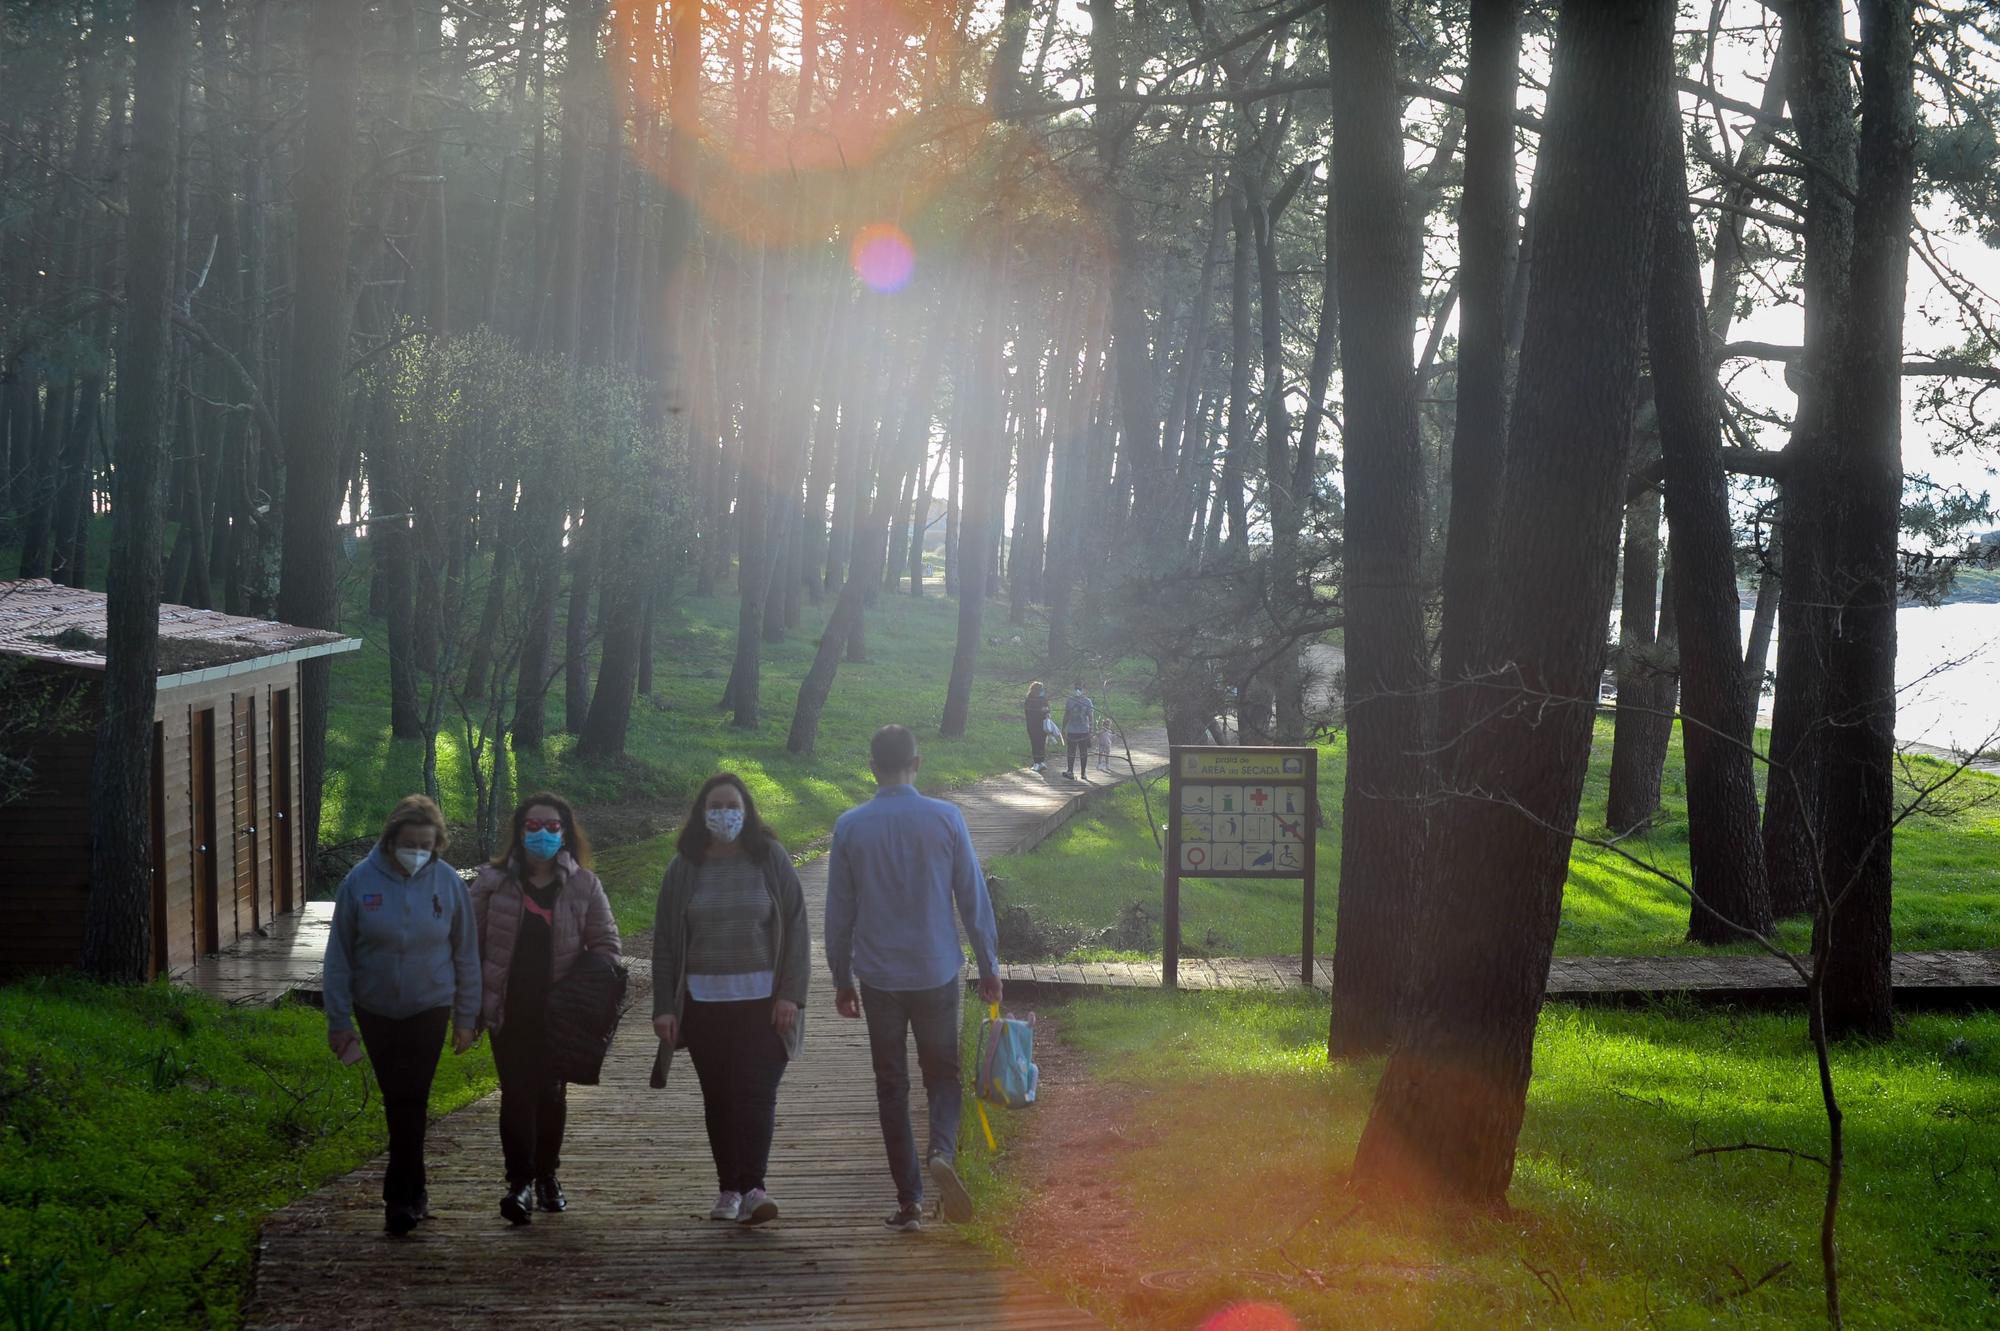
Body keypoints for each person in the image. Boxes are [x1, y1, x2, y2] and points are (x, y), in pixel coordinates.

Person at [825, 724, 1003, 1232]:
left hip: (879, 977)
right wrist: (989, 966)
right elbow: (972, 897)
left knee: (891, 1086)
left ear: (871, 767)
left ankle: (909, 1202)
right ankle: (941, 1150)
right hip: (936, 970)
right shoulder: (946, 818)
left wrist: (842, 977)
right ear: (917, 764)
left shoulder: (850, 826)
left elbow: (838, 912)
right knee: (942, 1077)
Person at [651, 774, 810, 1226]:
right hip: (703, 1003)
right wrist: (665, 1005)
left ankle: (755, 1188)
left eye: (732, 805)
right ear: (703, 813)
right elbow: (665, 940)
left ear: (747, 810)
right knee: (719, 1097)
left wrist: (790, 997)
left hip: (763, 1004)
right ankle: (729, 1190)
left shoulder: (770, 859)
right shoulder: (684, 867)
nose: (724, 814)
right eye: (715, 806)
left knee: (756, 1094)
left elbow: (797, 929)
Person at [322, 795, 481, 1236]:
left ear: (438, 844)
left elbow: (466, 954)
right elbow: (338, 958)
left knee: (411, 1098)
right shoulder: (359, 882)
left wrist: (466, 1016)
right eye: (409, 842)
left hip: (430, 1005)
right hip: (374, 1009)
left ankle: (399, 1200)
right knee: (399, 1101)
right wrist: (339, 1021)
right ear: (391, 840)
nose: (416, 851)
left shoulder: (449, 885)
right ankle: (414, 1191)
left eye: (426, 844)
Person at [470, 792, 620, 1225]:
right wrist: (471, 1007)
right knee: (516, 1093)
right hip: (509, 1009)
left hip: (562, 1014)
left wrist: (584, 992)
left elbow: (607, 945)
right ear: (519, 832)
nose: (541, 834)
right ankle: (518, 1184)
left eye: (552, 827)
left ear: (566, 832)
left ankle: (547, 1177)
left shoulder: (583, 884)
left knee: (551, 1094)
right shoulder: (491, 882)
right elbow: (468, 946)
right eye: (532, 826)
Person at [1060, 682, 1095, 780]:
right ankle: (1070, 771)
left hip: (1084, 730)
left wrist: (1091, 730)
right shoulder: (1070, 701)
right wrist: (1063, 728)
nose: (1077, 690)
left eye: (1079, 688)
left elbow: (1091, 716)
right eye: (1076, 688)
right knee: (1071, 751)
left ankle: (1083, 773)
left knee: (1083, 752)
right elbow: (1066, 715)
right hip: (1072, 730)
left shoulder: (1087, 701)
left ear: (1084, 690)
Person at [1023, 681, 1051, 773]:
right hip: (1033, 725)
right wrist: (1041, 711)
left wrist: (1046, 712)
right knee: (1035, 743)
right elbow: (1029, 712)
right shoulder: (1029, 700)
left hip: (1042, 725)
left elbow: (1048, 709)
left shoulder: (1043, 699)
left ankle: (1041, 761)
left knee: (1042, 743)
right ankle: (1036, 762)